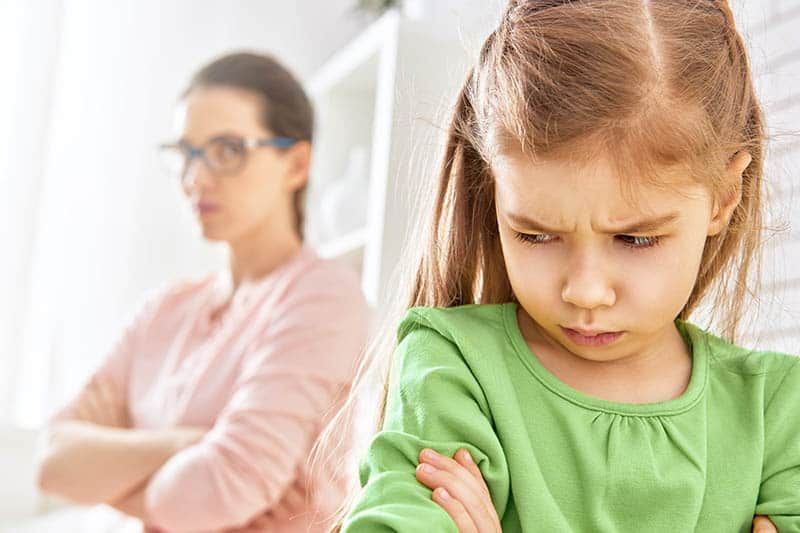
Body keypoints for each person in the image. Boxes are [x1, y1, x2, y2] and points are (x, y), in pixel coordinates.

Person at [334, 1, 797, 531]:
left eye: (636, 238)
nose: (585, 291)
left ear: (723, 195)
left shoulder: (779, 412)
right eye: (535, 234)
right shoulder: (454, 365)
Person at [35, 52, 369, 532]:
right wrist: (187, 444)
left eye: (228, 150)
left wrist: (112, 477)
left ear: (295, 164)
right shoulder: (165, 308)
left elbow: (211, 495)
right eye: (186, 153)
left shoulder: (323, 297)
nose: (196, 177)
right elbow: (54, 463)